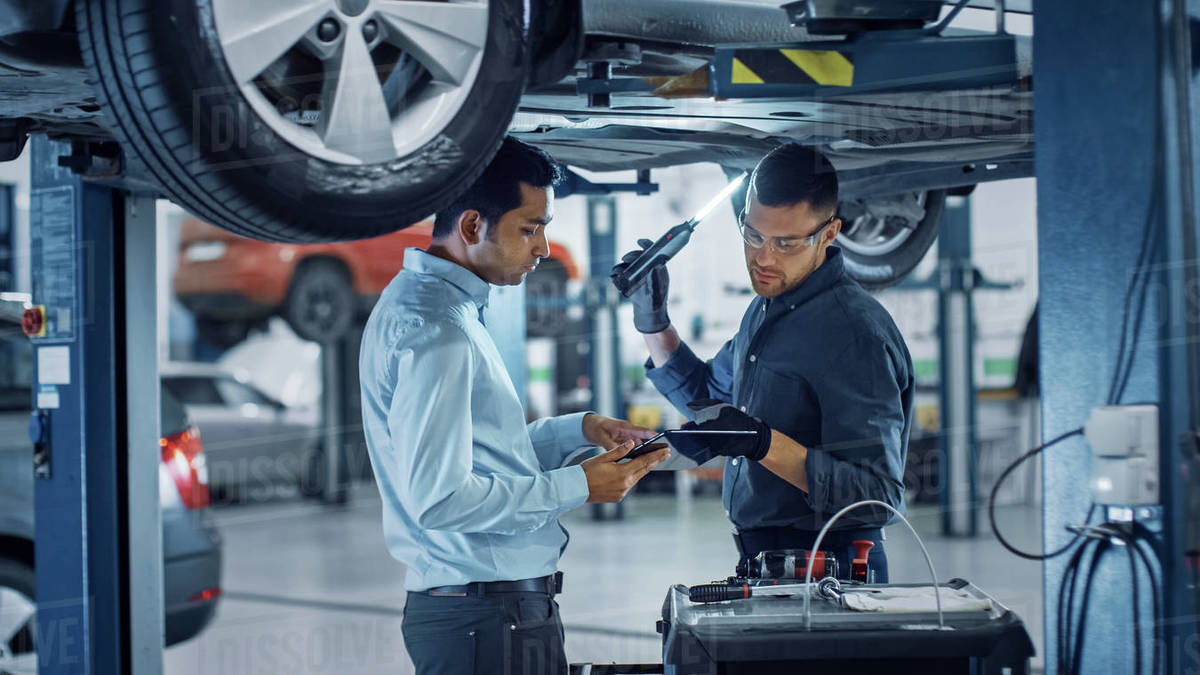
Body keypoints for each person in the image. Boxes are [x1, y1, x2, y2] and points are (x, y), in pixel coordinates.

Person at [361, 137, 669, 675]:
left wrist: (582, 429)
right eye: (530, 228)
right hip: (483, 619)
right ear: (473, 226)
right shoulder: (440, 332)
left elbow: (478, 454)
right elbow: (440, 499)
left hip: (486, 614)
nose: (544, 248)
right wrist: (579, 486)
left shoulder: (427, 306)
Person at [612, 144, 914, 581]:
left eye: (786, 243)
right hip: (765, 565)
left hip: (832, 570)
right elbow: (710, 401)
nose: (764, 258)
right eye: (753, 235)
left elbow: (877, 494)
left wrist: (763, 444)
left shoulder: (854, 335)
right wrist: (653, 321)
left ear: (830, 234)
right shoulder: (767, 309)